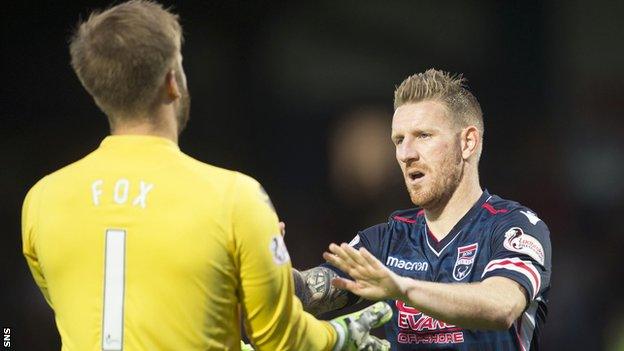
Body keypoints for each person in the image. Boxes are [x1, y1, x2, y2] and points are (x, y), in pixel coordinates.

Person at [20, 1, 392, 350]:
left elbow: (103, 323)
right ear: (172, 81)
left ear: (97, 91)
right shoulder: (234, 198)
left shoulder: (41, 200)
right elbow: (282, 340)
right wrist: (342, 334)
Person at [293, 69, 552, 350]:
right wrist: (261, 263)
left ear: (467, 142)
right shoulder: (385, 242)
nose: (406, 154)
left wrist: (402, 288)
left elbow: (502, 306)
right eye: (399, 140)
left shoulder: (513, 227)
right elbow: (305, 292)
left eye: (423, 135)